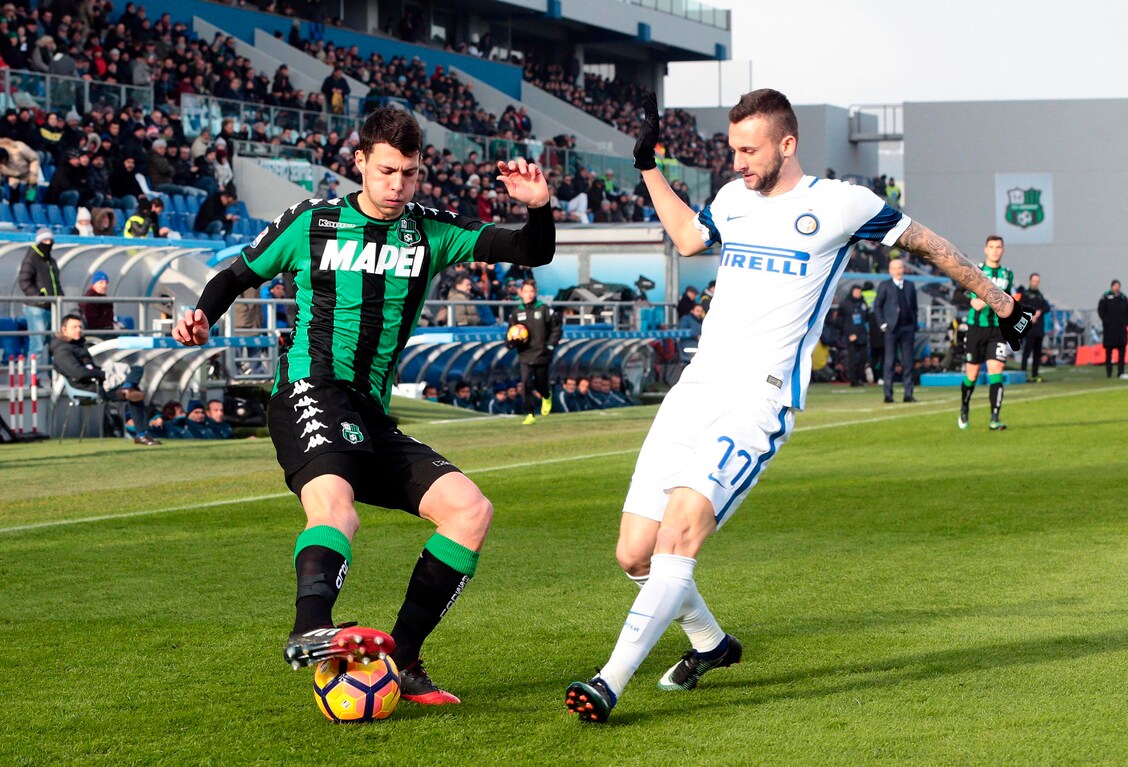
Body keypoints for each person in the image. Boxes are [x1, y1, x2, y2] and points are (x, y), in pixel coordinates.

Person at [564, 88, 1033, 724]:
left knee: (678, 534)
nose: (737, 163)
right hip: (695, 390)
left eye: (749, 151)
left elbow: (929, 244)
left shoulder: (841, 204)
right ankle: (711, 644)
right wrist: (648, 165)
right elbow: (687, 238)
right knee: (634, 553)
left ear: (787, 144)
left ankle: (608, 682)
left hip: (759, 398)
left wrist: (1003, 303)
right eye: (733, 150)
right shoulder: (732, 198)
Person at [172, 106, 554, 705]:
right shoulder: (312, 222)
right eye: (386, 171)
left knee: (469, 511)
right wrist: (202, 314)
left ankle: (402, 659)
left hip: (370, 413)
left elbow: (532, 250)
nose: (398, 185)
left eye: (409, 173)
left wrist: (539, 206)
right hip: (310, 389)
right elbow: (236, 276)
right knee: (335, 505)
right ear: (360, 163)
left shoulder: (430, 231)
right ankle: (311, 628)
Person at [50, 313, 157, 446]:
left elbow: (90, 368)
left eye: (80, 327)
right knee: (135, 393)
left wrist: (102, 373)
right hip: (88, 388)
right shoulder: (62, 351)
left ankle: (128, 388)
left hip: (99, 383)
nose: (79, 330)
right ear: (64, 329)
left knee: (136, 370)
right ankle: (141, 434)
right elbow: (79, 373)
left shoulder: (79, 345)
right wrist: (103, 374)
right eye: (74, 327)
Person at [958, 236, 1014, 431]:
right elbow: (958, 293)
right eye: (991, 247)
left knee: (996, 370)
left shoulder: (1008, 274)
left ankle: (995, 418)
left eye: (998, 247)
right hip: (976, 328)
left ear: (1003, 250)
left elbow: (1009, 298)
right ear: (985, 249)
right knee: (972, 374)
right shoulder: (976, 270)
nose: (995, 250)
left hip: (998, 329)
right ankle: (964, 406)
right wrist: (971, 301)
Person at [509, 279, 562, 425]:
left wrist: (550, 345)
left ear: (536, 292)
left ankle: (546, 395)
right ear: (520, 293)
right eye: (526, 291)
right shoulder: (516, 312)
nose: (529, 294)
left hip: (541, 353)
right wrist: (511, 343)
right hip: (525, 354)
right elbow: (510, 333)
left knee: (540, 383)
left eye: (531, 291)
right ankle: (530, 413)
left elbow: (556, 328)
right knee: (526, 383)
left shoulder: (544, 309)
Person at [873, 259, 919, 402]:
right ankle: (888, 394)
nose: (898, 271)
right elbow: (877, 306)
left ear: (903, 269)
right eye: (895, 268)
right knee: (889, 362)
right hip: (891, 329)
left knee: (908, 362)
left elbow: (914, 307)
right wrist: (883, 324)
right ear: (890, 270)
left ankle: (908, 394)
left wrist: (914, 324)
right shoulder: (885, 285)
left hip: (907, 328)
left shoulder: (910, 285)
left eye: (900, 268)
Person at [18, 229, 62, 366]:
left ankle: (51, 375)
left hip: (52, 308)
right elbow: (24, 281)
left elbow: (55, 283)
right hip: (36, 308)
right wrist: (40, 297)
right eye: (45, 241)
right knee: (37, 343)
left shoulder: (51, 261)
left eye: (50, 241)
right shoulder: (31, 258)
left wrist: (60, 297)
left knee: (52, 344)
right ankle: (32, 376)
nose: (48, 244)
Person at [1017, 273, 1051, 382]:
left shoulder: (1040, 295)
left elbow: (1047, 307)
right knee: (1027, 352)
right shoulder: (1026, 294)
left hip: (1039, 329)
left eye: (1037, 281)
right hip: (1029, 328)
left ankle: (1035, 374)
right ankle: (1023, 373)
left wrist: (1040, 312)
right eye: (1034, 281)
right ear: (1030, 281)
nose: (1036, 283)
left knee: (1037, 352)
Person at [1097, 279, 1128, 379]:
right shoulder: (1106, 297)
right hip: (1110, 330)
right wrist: (1106, 321)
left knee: (1122, 351)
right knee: (1109, 352)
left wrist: (1126, 322)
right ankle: (1109, 372)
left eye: (1118, 286)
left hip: (1121, 330)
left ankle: (1121, 372)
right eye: (1115, 286)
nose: (1117, 288)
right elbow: (1101, 310)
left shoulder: (1123, 297)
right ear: (1112, 286)